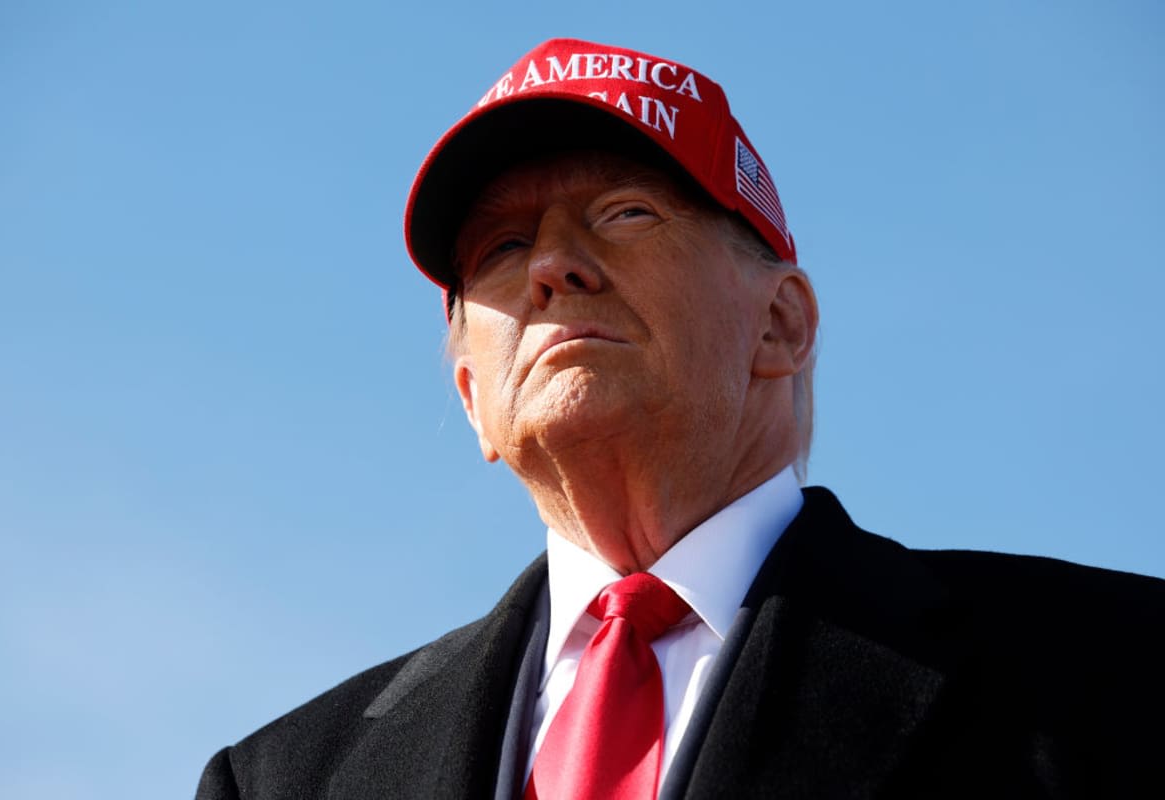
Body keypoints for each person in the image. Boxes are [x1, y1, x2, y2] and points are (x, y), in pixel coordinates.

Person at [196, 38, 1165, 799]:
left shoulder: (1112, 668)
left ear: (781, 322)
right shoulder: (285, 776)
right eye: (500, 245)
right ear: (470, 396)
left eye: (624, 214)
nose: (551, 267)